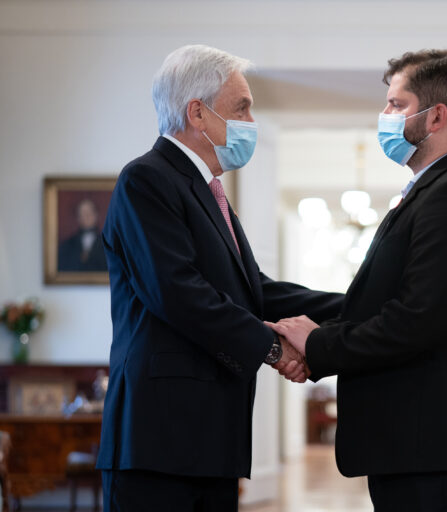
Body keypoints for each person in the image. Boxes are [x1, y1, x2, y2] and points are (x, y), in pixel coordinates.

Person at [97, 45, 343, 512]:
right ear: (198, 113)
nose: (251, 121)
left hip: (209, 439)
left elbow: (256, 291)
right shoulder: (145, 180)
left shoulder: (209, 193)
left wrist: (359, 303)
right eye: (242, 107)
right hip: (158, 443)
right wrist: (275, 350)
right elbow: (178, 293)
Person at [270, 47, 447, 512]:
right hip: (417, 442)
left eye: (396, 104)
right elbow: (375, 305)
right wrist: (266, 299)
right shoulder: (430, 191)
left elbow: (416, 321)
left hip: (437, 443)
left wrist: (319, 346)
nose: (384, 115)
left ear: (436, 116)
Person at [57, 198, 107, 271]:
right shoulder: (67, 244)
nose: (86, 217)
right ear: (78, 218)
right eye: (82, 214)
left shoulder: (107, 244)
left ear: (96, 215)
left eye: (89, 213)